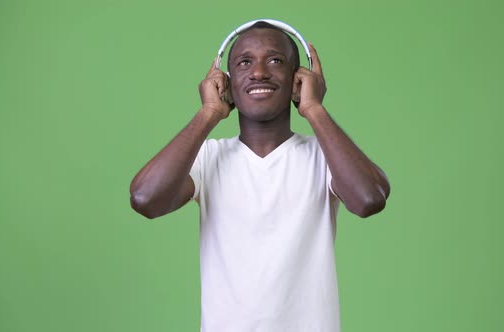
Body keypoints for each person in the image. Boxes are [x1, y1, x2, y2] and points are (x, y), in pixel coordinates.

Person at [130, 21, 390, 332]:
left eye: (275, 60)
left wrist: (314, 108)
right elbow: (146, 199)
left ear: (299, 79)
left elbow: (369, 199)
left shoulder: (324, 156)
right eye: (244, 62)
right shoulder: (208, 157)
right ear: (226, 82)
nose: (259, 73)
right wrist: (208, 113)